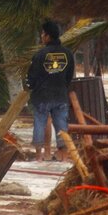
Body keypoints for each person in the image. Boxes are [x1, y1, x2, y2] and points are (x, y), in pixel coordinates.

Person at [25, 20, 75, 162]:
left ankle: (39, 157)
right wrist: (62, 86)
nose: (42, 36)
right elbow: (69, 75)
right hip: (60, 95)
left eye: (43, 34)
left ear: (47, 36)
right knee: (62, 126)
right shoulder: (68, 54)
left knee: (40, 123)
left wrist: (32, 87)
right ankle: (64, 158)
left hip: (42, 96)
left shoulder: (40, 54)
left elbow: (32, 76)